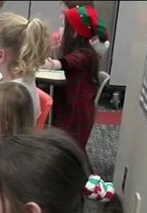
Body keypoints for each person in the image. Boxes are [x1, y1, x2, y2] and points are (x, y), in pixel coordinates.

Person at [42, 4, 108, 148]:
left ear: (74, 33)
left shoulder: (86, 54)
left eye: (65, 27)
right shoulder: (82, 51)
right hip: (69, 105)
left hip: (75, 113)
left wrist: (50, 63)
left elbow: (68, 62)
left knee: (67, 149)